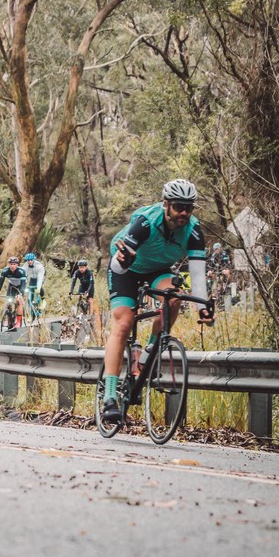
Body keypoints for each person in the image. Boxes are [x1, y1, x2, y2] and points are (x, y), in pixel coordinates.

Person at [101, 179, 214, 423]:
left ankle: (147, 355)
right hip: (125, 268)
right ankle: (109, 396)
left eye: (189, 207)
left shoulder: (194, 232)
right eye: (178, 207)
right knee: (124, 323)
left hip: (158, 270)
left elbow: (197, 276)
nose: (184, 212)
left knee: (174, 297)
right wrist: (124, 260)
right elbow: (117, 265)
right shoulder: (145, 222)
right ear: (166, 205)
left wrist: (203, 309)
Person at [0, 256, 27, 329]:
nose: (12, 266)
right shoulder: (5, 271)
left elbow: (23, 285)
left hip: (20, 287)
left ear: (17, 265)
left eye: (14, 264)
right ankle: (10, 320)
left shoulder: (21, 272)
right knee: (8, 301)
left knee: (19, 301)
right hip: (11, 287)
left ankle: (18, 321)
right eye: (11, 264)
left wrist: (20, 294)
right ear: (9, 264)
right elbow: (0, 282)